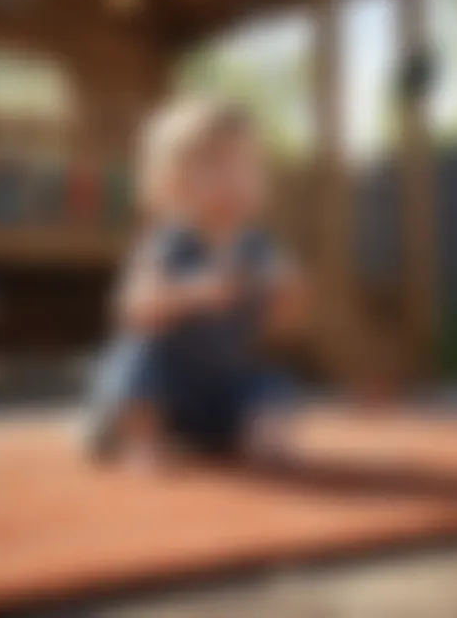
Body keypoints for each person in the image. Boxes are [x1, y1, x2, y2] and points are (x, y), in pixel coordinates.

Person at [85, 97, 305, 469]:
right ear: (172, 182)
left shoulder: (258, 247)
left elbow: (285, 321)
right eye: (217, 167)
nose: (235, 180)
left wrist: (285, 294)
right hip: (165, 388)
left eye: (246, 167)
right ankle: (138, 439)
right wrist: (193, 295)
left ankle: (262, 440)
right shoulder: (167, 244)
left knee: (270, 386)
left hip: (220, 389)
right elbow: (133, 308)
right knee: (134, 367)